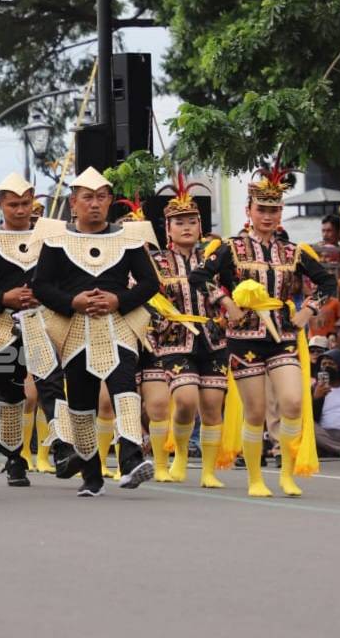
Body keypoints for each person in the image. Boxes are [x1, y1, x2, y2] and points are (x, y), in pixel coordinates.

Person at [190, 161, 336, 498]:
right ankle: (255, 477)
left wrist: (308, 311)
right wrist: (226, 303)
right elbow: (199, 277)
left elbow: (328, 281)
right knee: (254, 411)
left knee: (293, 402)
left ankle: (287, 474)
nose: (267, 216)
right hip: (244, 340)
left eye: (273, 209)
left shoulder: (293, 251)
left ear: (281, 212)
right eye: (262, 209)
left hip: (283, 337)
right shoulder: (231, 248)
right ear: (249, 211)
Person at [33, 167, 160, 496]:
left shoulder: (129, 238)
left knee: (124, 388)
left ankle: (131, 459)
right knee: (81, 402)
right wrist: (71, 301)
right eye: (87, 198)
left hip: (118, 326)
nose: (94, 204)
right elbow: (42, 286)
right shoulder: (56, 239)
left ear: (109, 202)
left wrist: (120, 299)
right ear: (73, 202)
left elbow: (150, 283)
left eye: (101, 198)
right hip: (75, 330)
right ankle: (92, 475)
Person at [0, 173, 60, 487]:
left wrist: (42, 294)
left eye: (24, 203)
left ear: (32, 199)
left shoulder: (48, 238)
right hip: (2, 325)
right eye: (13, 204)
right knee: (8, 392)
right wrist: (2, 297)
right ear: (0, 204)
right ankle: (14, 456)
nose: (20, 210)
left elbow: (62, 281)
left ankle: (63, 447)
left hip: (43, 321)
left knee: (50, 383)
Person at [139, 172, 227, 486]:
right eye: (180, 222)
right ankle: (173, 457)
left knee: (213, 407)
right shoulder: (156, 261)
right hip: (174, 340)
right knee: (186, 400)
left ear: (200, 226)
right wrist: (160, 321)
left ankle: (208, 472)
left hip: (213, 340)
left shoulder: (215, 259)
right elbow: (143, 295)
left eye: (192, 221)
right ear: (168, 229)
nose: (187, 226)